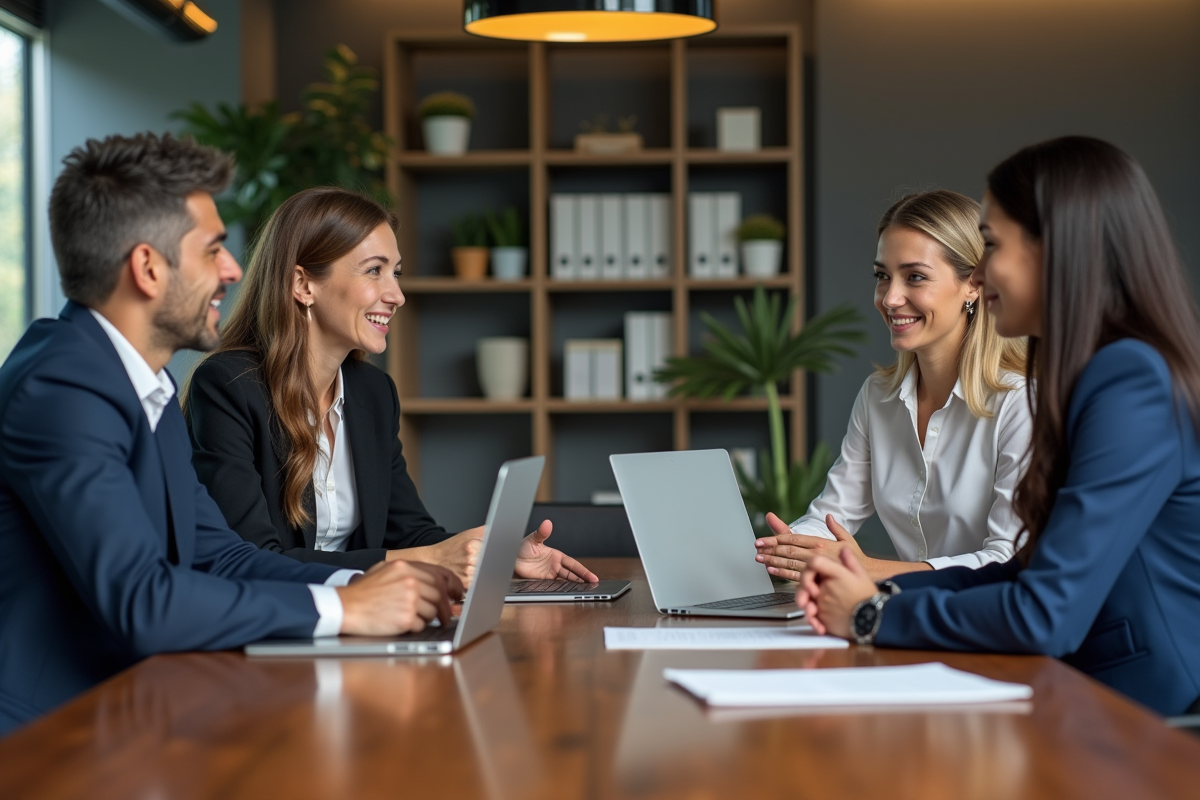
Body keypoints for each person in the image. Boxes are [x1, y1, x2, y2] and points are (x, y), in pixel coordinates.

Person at [0, 133, 462, 736]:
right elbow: (142, 600)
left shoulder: (144, 383)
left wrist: (374, 582)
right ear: (147, 267)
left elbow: (221, 556)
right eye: (212, 250)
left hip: (137, 705)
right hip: (53, 733)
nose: (233, 270)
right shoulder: (62, 386)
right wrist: (345, 606)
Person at [798, 137, 1200, 716]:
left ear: (1057, 250)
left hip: (1139, 712)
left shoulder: (1130, 379)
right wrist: (873, 591)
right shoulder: (1095, 372)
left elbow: (1046, 613)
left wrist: (872, 612)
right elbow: (1024, 572)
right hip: (1076, 687)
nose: (980, 274)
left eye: (991, 246)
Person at [184, 187, 597, 583]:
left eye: (395, 273)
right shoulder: (228, 386)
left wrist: (495, 558)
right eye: (374, 271)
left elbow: (411, 534)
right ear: (303, 285)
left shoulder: (372, 393)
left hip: (366, 623)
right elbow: (250, 560)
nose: (396, 295)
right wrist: (428, 559)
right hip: (277, 630)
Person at [754, 190, 1029, 582]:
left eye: (915, 276)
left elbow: (1009, 560)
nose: (890, 298)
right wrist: (782, 550)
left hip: (987, 627)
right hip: (906, 618)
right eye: (883, 276)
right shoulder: (877, 397)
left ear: (974, 284)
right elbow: (831, 515)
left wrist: (870, 570)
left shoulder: (1019, 403)